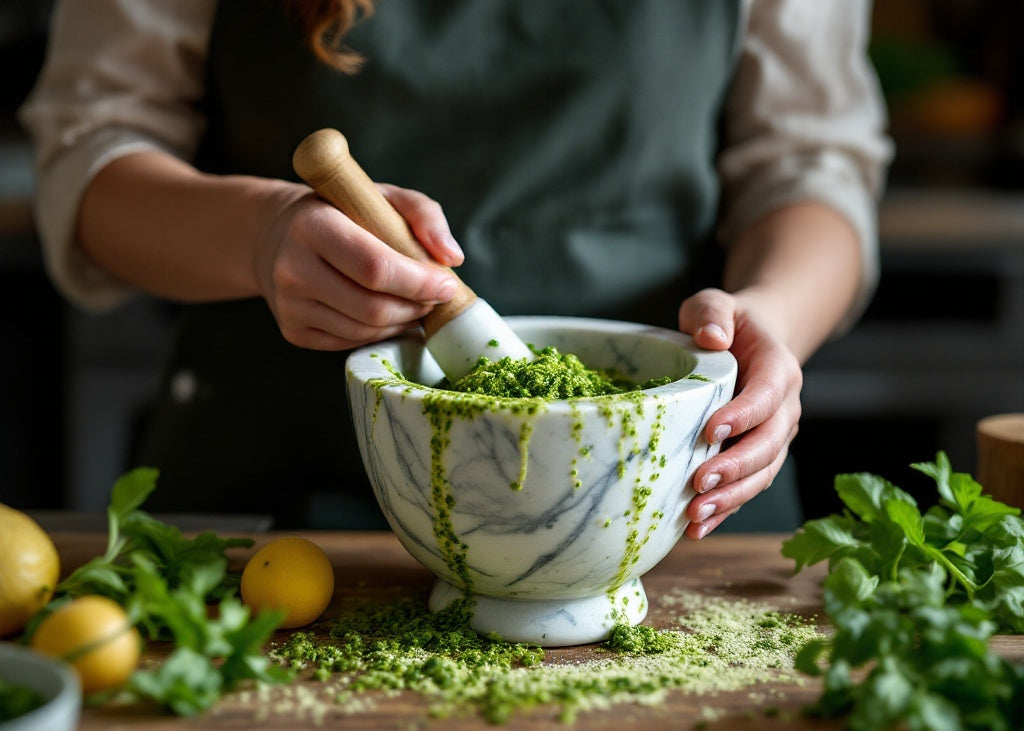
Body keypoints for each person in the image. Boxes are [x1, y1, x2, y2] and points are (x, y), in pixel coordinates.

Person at [19, 0, 892, 537]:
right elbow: (90, 158)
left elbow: (809, 163)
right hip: (283, 491)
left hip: (666, 505)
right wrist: (259, 230)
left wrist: (770, 310)